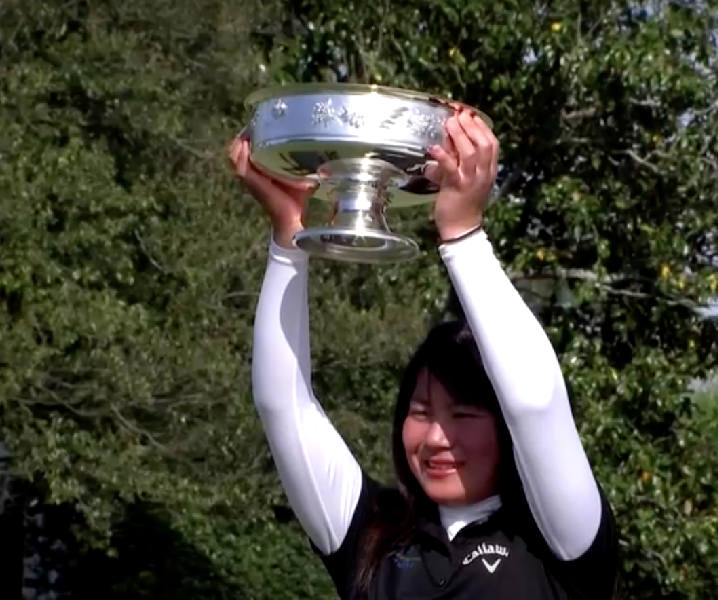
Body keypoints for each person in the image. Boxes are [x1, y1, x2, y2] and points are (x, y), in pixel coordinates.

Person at [228, 106, 620, 600]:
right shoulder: (370, 535)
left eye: (462, 414)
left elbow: (535, 402)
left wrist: (462, 234)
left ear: (506, 429)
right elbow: (282, 405)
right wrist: (288, 236)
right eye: (420, 412)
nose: (435, 438)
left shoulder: (560, 541)